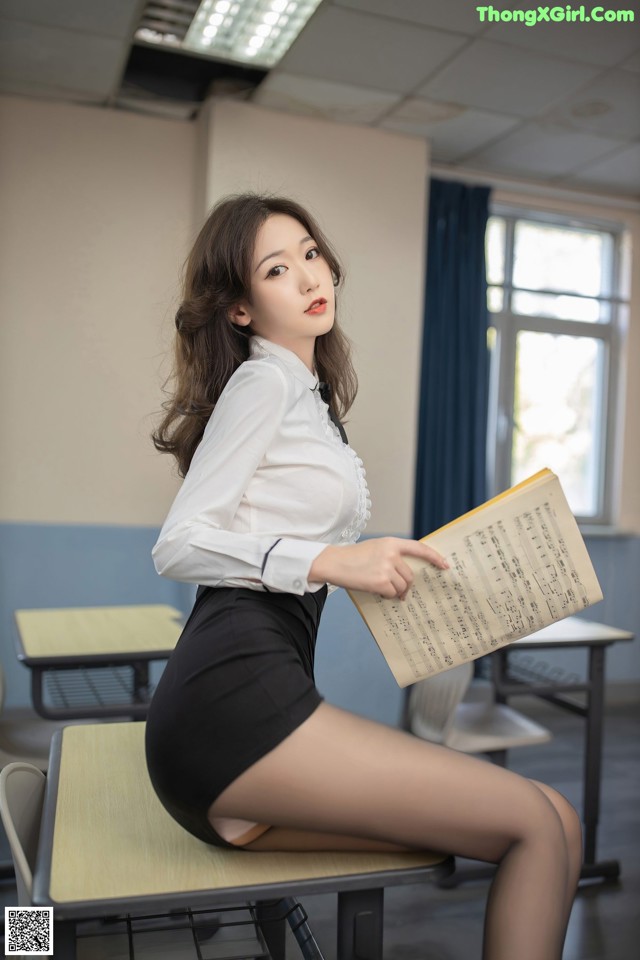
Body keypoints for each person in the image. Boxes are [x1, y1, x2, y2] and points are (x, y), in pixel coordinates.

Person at [145, 192, 582, 959]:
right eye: (276, 269)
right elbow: (179, 544)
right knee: (533, 824)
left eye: (311, 253)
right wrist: (330, 561)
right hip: (231, 706)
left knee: (555, 816)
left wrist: (369, 560)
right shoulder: (264, 383)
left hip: (249, 702)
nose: (310, 275)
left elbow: (283, 531)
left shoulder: (308, 398)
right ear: (241, 309)